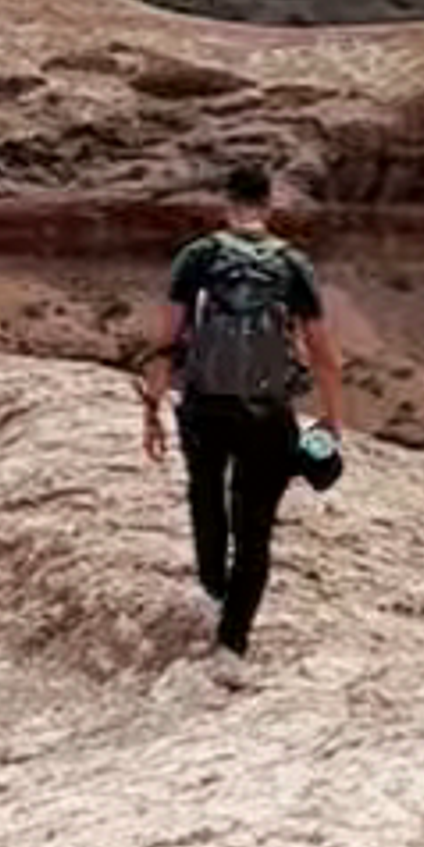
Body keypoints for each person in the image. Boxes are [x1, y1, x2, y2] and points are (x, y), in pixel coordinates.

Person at [138, 151, 344, 660]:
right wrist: (333, 415)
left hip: (205, 407)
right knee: (255, 527)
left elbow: (167, 338)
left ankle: (213, 585)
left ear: (228, 203)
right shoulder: (293, 264)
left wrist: (153, 408)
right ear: (268, 205)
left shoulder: (198, 256)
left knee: (205, 498)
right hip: (267, 411)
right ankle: (232, 643)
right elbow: (322, 351)